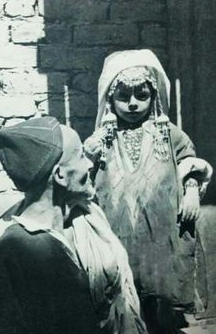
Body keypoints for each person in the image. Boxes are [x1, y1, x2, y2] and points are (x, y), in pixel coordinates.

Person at [84, 49, 213, 334]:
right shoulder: (102, 139)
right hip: (117, 230)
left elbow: (188, 161)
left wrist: (191, 189)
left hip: (161, 232)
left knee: (159, 297)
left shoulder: (169, 135)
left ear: (153, 97)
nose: (132, 104)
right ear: (109, 99)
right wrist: (89, 154)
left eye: (141, 96)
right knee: (122, 296)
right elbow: (82, 176)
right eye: (124, 97)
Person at [0, 116, 147, 334]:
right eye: (79, 156)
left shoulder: (70, 231)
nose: (88, 163)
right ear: (60, 175)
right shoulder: (18, 249)